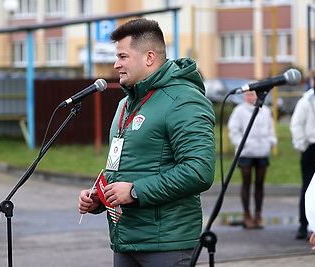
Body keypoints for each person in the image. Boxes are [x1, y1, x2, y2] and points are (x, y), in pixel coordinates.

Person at [78, 18, 215, 266]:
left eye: (123, 56)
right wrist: (100, 195)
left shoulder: (182, 100)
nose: (115, 64)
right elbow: (128, 163)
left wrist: (134, 191)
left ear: (149, 57)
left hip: (166, 244)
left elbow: (199, 171)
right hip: (125, 238)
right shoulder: (125, 103)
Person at [227, 91, 277, 229]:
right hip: (246, 153)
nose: (250, 97)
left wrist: (271, 142)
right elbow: (233, 129)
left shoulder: (265, 110)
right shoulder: (239, 111)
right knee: (246, 183)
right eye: (248, 94)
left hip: (262, 151)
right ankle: (247, 214)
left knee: (260, 184)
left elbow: (270, 128)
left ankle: (258, 214)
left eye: (253, 94)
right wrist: (241, 144)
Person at [290, 69, 315, 240]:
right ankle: (303, 224)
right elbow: (296, 124)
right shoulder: (307, 101)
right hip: (312, 151)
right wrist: (302, 145)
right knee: (308, 188)